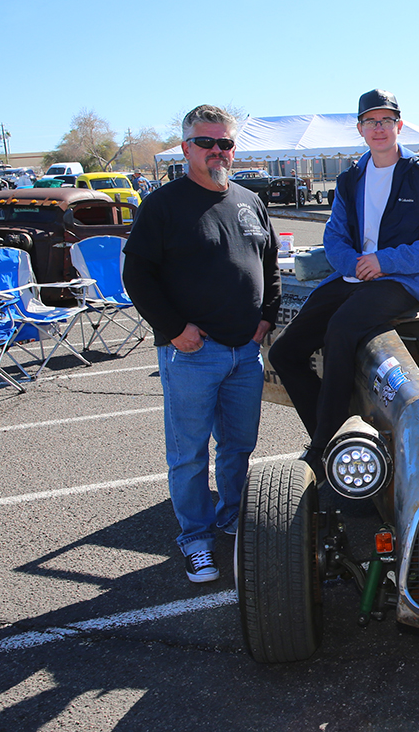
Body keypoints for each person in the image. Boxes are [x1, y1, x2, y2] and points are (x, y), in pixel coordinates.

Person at [122, 104, 280, 583]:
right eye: (206, 143)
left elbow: (270, 265)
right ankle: (195, 538)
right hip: (191, 351)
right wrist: (174, 329)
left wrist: (266, 318)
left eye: (225, 143)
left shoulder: (250, 201)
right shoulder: (164, 205)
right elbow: (137, 274)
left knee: (238, 446)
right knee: (188, 453)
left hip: (244, 352)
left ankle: (232, 516)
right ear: (186, 146)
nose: (217, 151)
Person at [268, 89, 419, 471]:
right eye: (371, 121)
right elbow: (334, 236)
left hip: (404, 280)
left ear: (399, 126)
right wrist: (354, 263)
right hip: (353, 275)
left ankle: (321, 451)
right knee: (284, 353)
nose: (379, 128)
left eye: (386, 120)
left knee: (341, 329)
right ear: (360, 129)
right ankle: (331, 432)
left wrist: (383, 261)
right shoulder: (351, 178)